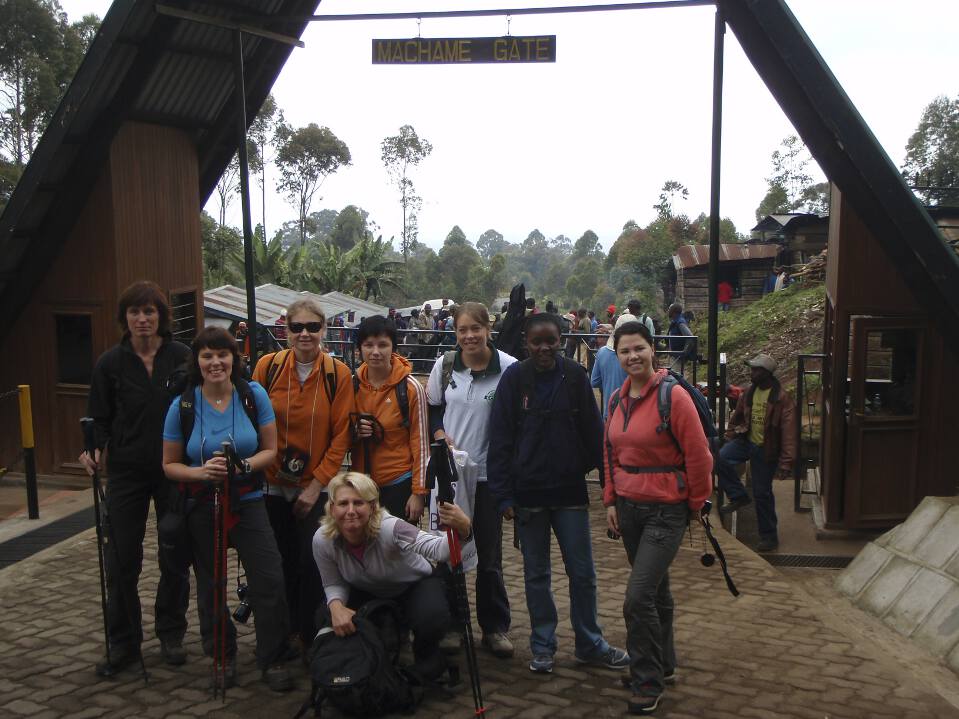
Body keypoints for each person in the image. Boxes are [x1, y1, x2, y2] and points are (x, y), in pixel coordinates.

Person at [488, 313, 628, 675]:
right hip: (528, 495)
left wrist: (609, 490)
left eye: (551, 340)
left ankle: (589, 642)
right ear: (526, 344)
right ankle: (543, 645)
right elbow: (500, 440)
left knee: (582, 573)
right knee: (536, 575)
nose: (545, 347)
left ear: (561, 339)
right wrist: (504, 496)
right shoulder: (514, 380)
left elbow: (594, 435)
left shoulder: (575, 377)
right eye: (537, 342)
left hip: (569, 493)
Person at [162, 327, 293, 691]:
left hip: (248, 500)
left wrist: (245, 466)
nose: (216, 362)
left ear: (234, 359)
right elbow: (169, 464)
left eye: (223, 354)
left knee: (269, 576)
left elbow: (270, 449)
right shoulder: (183, 405)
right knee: (211, 583)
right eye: (207, 355)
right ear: (197, 362)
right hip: (203, 504)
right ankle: (221, 653)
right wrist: (201, 472)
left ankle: (273, 656)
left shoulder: (252, 396)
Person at [81, 281, 193, 677]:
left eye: (150, 312)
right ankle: (124, 641)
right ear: (125, 319)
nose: (143, 319)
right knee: (121, 558)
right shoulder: (109, 363)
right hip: (126, 473)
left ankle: (171, 632)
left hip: (173, 469)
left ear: (162, 317)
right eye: (134, 312)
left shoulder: (183, 357)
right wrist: (93, 449)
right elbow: (99, 419)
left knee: (174, 552)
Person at [603, 321, 712, 715]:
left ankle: (646, 679)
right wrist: (610, 500)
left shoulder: (674, 397)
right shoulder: (617, 400)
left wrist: (698, 504)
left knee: (637, 598)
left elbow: (699, 454)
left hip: (667, 511)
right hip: (629, 510)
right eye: (625, 351)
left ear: (653, 350)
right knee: (657, 593)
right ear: (616, 356)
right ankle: (663, 665)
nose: (633, 357)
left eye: (639, 349)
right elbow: (610, 453)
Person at [252, 299, 355, 655]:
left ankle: (312, 634)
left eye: (313, 327)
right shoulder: (268, 368)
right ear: (286, 330)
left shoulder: (337, 374)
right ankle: (279, 635)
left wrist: (315, 486)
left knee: (313, 561)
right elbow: (253, 420)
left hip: (316, 484)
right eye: (297, 327)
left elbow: (342, 433)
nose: (305, 334)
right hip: (271, 482)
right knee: (274, 562)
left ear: (324, 329)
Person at [313, 472, 471, 681]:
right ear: (332, 508)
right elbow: (333, 582)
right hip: (367, 590)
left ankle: (427, 657)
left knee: (432, 617)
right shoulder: (322, 540)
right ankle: (358, 661)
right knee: (325, 613)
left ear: (372, 506)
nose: (350, 511)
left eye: (358, 503)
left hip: (413, 584)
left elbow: (440, 551)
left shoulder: (392, 527)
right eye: (343, 503)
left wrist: (463, 528)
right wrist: (336, 607)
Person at [426, 302, 518, 658]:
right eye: (462, 330)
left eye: (475, 329)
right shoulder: (445, 365)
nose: (469, 337)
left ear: (488, 329)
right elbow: (434, 406)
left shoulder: (509, 369)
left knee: (489, 555)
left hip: (489, 476)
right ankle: (452, 624)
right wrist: (438, 432)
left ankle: (494, 628)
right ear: (455, 333)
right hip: (450, 477)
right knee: (451, 550)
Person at [351, 315, 429, 522]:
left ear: (393, 347)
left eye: (383, 345)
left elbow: (420, 443)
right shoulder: (351, 386)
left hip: (399, 483)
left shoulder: (411, 388)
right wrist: (354, 432)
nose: (375, 352)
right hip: (361, 484)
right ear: (359, 349)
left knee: (400, 549)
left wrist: (419, 493)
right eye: (368, 345)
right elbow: (338, 432)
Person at [717, 354, 796, 552]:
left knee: (762, 493)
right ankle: (738, 495)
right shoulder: (749, 393)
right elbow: (737, 417)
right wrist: (729, 435)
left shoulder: (781, 398)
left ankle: (769, 536)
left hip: (766, 448)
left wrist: (786, 462)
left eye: (755, 370)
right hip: (746, 440)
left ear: (766, 374)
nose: (751, 373)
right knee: (720, 457)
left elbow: (789, 433)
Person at [592, 333, 628, 422]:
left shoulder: (602, 352)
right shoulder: (636, 359)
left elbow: (594, 381)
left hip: (610, 410)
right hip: (634, 411)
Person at [666, 303, 696, 373]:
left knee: (676, 376)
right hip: (675, 355)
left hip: (678, 356)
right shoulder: (675, 321)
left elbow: (690, 338)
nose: (668, 311)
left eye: (669, 310)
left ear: (673, 311)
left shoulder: (680, 323)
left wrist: (684, 352)